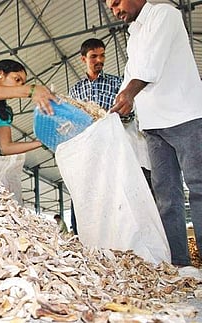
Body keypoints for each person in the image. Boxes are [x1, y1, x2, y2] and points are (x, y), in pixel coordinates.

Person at [106, 0, 202, 266]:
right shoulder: (133, 33)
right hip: (152, 126)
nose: (115, 11)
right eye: (111, 8)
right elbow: (130, 74)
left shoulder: (165, 14)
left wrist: (128, 94)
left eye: (117, 3)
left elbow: (150, 66)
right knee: (166, 196)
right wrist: (120, 105)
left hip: (186, 115)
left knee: (198, 187)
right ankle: (179, 264)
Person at [67, 37, 152, 234]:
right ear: (83, 59)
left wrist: (108, 118)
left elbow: (130, 113)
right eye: (93, 56)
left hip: (115, 146)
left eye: (102, 55)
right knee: (86, 191)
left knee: (119, 191)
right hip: (90, 151)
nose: (99, 60)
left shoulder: (117, 83)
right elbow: (73, 121)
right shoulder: (75, 90)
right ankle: (81, 234)